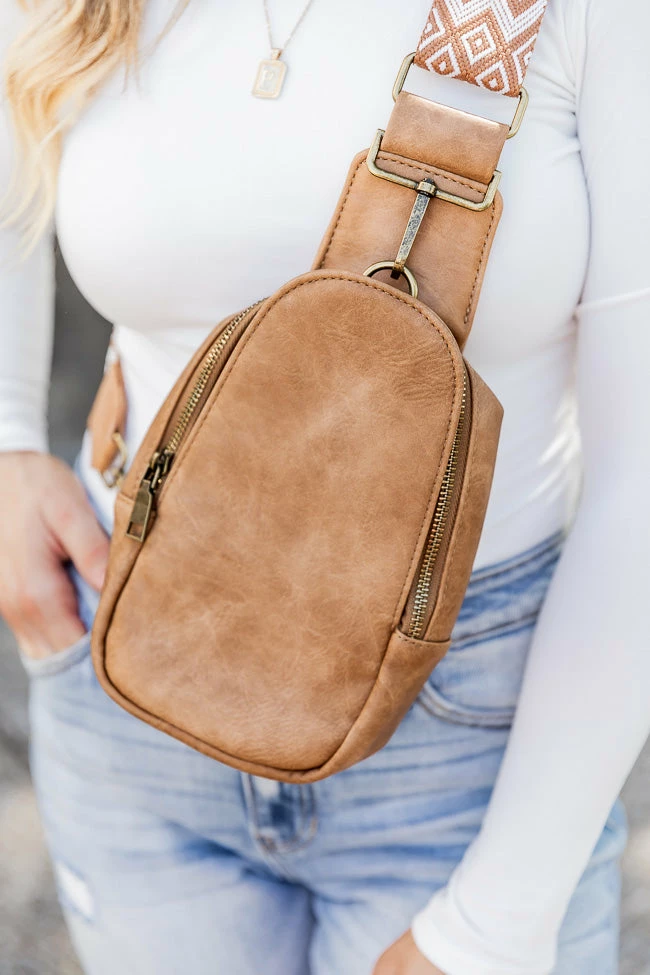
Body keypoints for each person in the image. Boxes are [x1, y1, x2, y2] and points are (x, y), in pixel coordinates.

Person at [1, 1, 649, 973]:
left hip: (469, 749)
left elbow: (639, 482)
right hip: (126, 673)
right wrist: (9, 442)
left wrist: (497, 920)